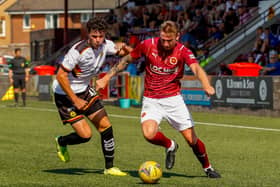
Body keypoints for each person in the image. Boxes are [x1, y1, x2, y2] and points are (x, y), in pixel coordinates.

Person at [96, 21, 221, 178]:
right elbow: (127, 59)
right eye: (163, 39)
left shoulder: (183, 51)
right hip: (151, 100)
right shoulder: (148, 45)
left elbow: (196, 68)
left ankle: (207, 168)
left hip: (173, 100)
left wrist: (206, 85)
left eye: (169, 40)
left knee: (191, 139)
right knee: (149, 134)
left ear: (177, 36)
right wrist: (107, 77)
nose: (166, 43)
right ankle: (170, 145)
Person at [52, 17, 130, 176]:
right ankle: (62, 141)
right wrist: (75, 99)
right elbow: (60, 76)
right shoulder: (77, 51)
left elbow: (125, 53)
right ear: (88, 34)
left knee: (106, 126)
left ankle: (109, 168)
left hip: (85, 91)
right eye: (94, 36)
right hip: (65, 95)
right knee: (85, 136)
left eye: (101, 36)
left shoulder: (106, 45)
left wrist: (126, 49)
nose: (97, 40)